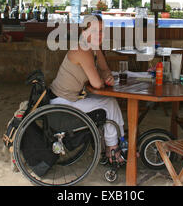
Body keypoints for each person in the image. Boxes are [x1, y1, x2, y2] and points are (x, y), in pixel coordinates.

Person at [49, 14, 126, 163]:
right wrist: (104, 79)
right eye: (96, 30)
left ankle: (118, 143)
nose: (100, 35)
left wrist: (107, 76)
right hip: (62, 101)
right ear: (84, 32)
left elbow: (105, 69)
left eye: (102, 30)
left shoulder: (94, 48)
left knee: (110, 102)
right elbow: (97, 84)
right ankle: (113, 149)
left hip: (73, 97)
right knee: (109, 103)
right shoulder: (82, 50)